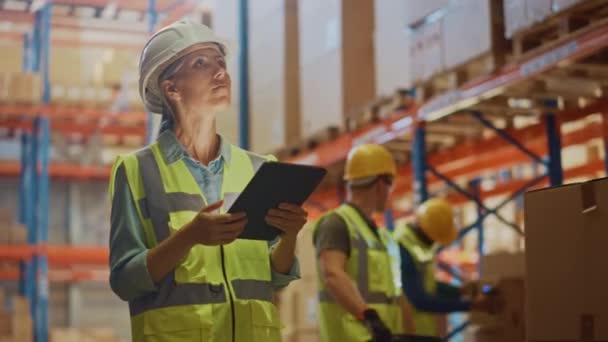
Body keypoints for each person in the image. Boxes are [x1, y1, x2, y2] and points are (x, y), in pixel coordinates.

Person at [108, 20, 307, 342]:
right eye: (201, 64)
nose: (220, 73)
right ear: (171, 88)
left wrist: (289, 235)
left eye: (221, 63)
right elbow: (125, 280)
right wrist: (188, 237)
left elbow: (275, 277)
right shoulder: (136, 171)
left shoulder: (260, 168)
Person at [312, 144, 409, 342]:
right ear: (382, 182)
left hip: (382, 337)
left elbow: (395, 295)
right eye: (391, 184)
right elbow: (332, 274)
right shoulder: (336, 224)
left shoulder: (382, 237)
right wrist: (368, 316)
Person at [394, 198, 499, 337]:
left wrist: (458, 291)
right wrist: (471, 305)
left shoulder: (416, 246)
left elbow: (426, 285)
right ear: (428, 233)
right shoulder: (403, 248)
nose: (435, 243)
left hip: (422, 333)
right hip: (410, 334)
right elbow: (419, 300)